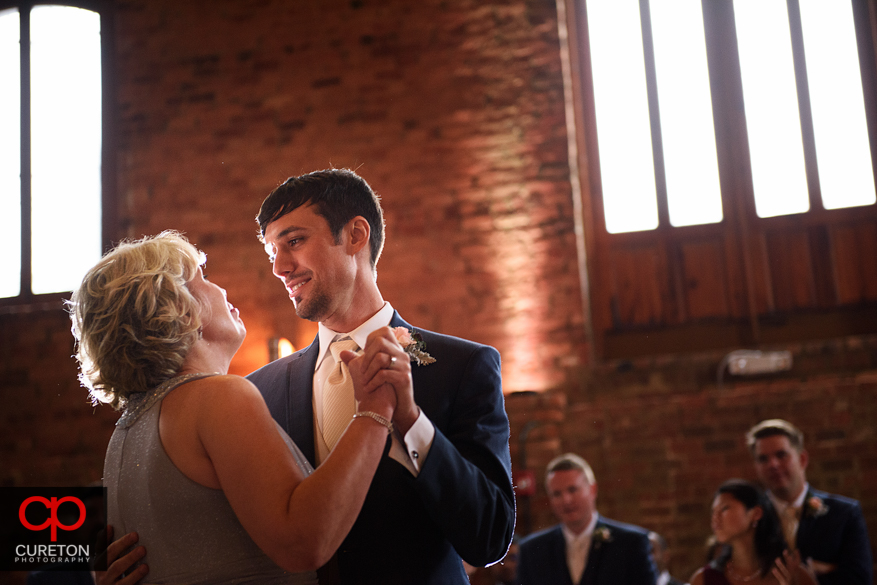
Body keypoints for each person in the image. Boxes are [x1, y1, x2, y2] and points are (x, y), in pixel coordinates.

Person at [68, 231, 401, 583]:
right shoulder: (219, 398)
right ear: (179, 308)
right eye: (204, 279)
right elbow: (303, 544)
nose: (222, 290)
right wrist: (374, 409)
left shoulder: (124, 434)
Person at [246, 168, 516, 584]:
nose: (280, 267)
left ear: (356, 235)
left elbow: (490, 538)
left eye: (294, 242)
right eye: (271, 253)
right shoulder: (260, 390)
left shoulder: (462, 367)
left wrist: (411, 424)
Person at [746, 419, 873, 585]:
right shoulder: (750, 518)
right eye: (763, 459)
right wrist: (821, 569)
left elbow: (860, 580)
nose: (773, 464)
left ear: (802, 459)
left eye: (781, 455)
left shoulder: (844, 513)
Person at [517, 453, 657, 585]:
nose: (566, 500)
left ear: (592, 490)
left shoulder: (631, 543)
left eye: (572, 490)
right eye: (556, 494)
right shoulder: (532, 550)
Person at [689, 480, 817, 585]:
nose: (715, 518)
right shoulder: (704, 579)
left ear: (756, 513)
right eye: (713, 511)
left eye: (724, 508)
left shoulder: (791, 572)